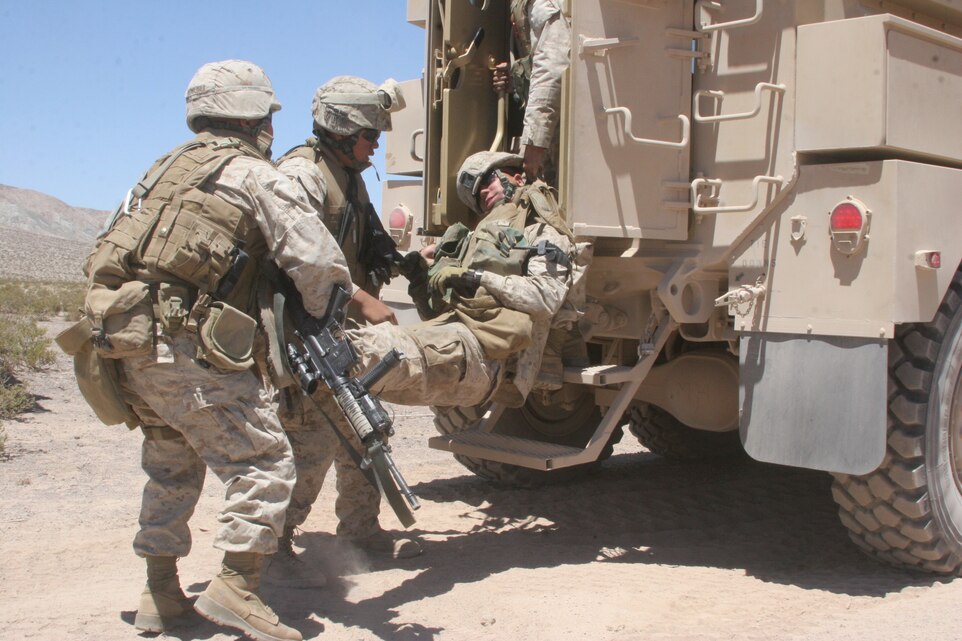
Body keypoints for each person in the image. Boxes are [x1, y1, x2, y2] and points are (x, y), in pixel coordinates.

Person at [82, 60, 356, 641]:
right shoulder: (253, 173)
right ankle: (236, 587)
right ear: (253, 117)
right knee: (264, 460)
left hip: (126, 343)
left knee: (171, 459)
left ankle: (160, 592)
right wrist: (319, 315)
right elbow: (319, 263)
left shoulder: (158, 172)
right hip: (186, 344)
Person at [269, 75, 422, 586]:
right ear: (340, 130)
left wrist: (409, 264)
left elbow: (371, 244)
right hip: (304, 333)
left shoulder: (349, 175)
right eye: (370, 135)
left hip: (341, 332)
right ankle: (270, 543)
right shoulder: (302, 175)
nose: (376, 144)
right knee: (308, 444)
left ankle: (361, 533)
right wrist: (362, 299)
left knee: (364, 431)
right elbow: (297, 257)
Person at [346, 150, 590, 410]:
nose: (483, 193)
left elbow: (545, 297)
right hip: (460, 338)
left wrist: (475, 278)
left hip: (493, 356)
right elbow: (436, 313)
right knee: (358, 360)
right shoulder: (474, 242)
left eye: (488, 181)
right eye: (476, 194)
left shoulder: (543, 232)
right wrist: (419, 278)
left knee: (372, 357)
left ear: (518, 179)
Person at [492, 0, 571, 182]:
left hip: (563, 128)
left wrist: (534, 143)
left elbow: (554, 63)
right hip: (554, 128)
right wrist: (514, 77)